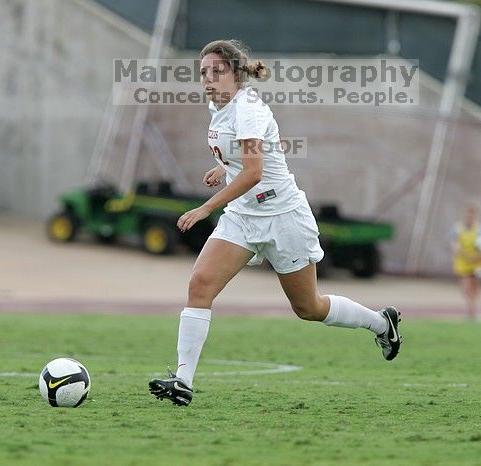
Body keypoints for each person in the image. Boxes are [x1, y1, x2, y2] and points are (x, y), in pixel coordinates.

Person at [148, 40, 402, 406]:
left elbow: (253, 173)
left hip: (283, 216)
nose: (207, 79)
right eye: (203, 72)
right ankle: (183, 381)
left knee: (309, 308)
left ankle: (382, 323)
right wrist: (225, 166)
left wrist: (205, 209)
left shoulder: (247, 108)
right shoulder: (218, 106)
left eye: (216, 71)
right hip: (243, 216)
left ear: (236, 75)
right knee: (200, 285)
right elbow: (260, 150)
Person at [451, 203, 481, 321]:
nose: (469, 217)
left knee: (475, 287)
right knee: (466, 288)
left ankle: (477, 311)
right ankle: (472, 310)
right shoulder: (457, 228)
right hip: (463, 263)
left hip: (477, 263)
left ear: (475, 216)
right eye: (467, 215)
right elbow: (455, 247)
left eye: (472, 215)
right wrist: (465, 255)